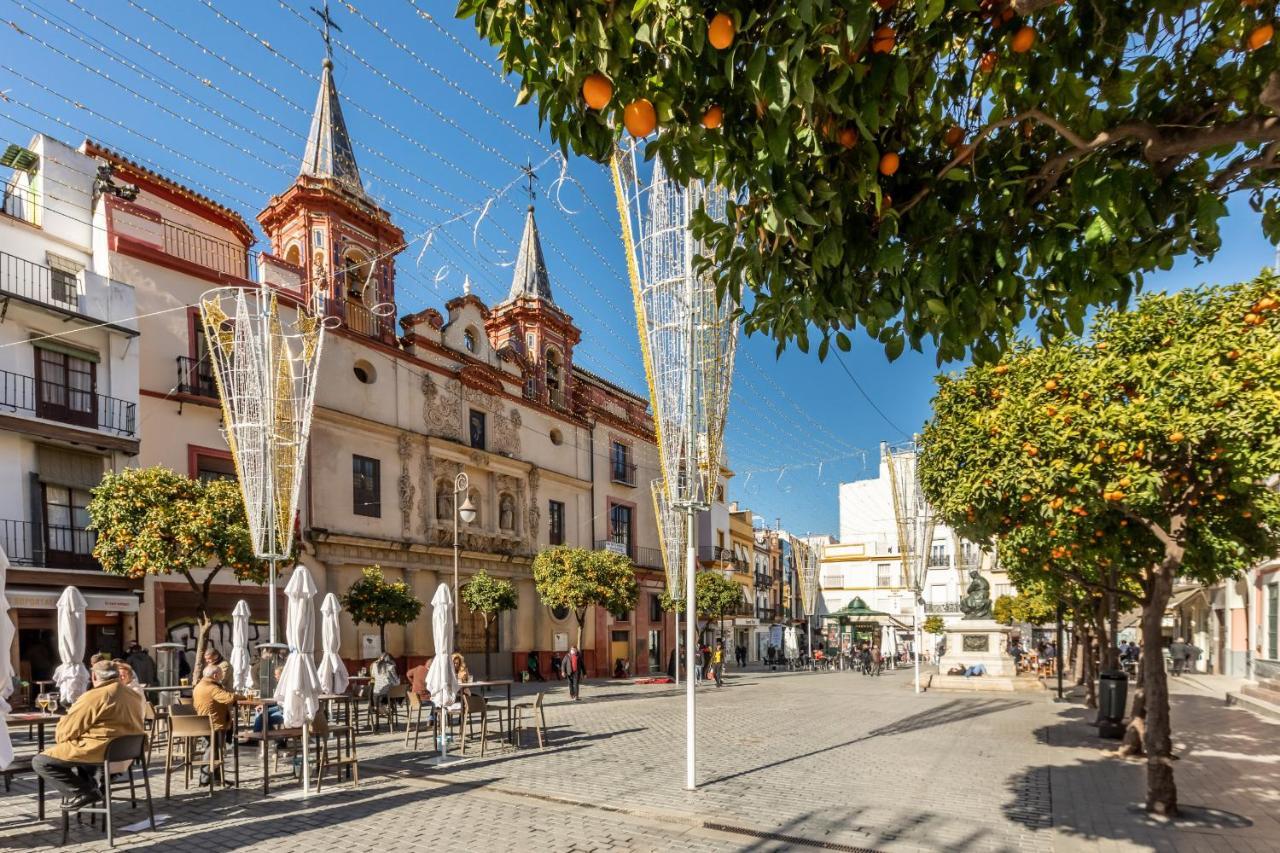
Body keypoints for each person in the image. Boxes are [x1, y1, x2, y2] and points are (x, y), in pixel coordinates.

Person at [33, 660, 145, 811]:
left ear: (94, 676)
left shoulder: (95, 695)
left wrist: (64, 726)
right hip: (128, 753)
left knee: (41, 761)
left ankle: (85, 792)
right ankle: (92, 788)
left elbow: (65, 731)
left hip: (100, 752)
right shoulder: (133, 694)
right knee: (77, 757)